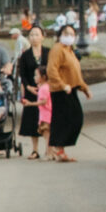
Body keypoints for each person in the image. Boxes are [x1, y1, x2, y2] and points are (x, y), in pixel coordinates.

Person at [46, 25, 91, 161]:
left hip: (71, 89)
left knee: (74, 119)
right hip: (61, 90)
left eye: (72, 34)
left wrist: (84, 88)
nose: (69, 36)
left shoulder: (70, 50)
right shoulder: (57, 49)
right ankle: (58, 148)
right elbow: (51, 70)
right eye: (66, 33)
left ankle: (60, 148)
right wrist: (61, 84)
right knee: (65, 120)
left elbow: (75, 72)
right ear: (60, 35)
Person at [15, 23, 48, 159]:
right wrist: (28, 87)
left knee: (47, 120)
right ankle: (34, 149)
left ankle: (49, 148)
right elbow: (22, 74)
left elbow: (52, 70)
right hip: (31, 91)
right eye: (32, 35)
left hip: (46, 91)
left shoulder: (48, 52)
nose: (34, 38)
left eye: (37, 35)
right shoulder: (25, 55)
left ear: (42, 37)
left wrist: (46, 86)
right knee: (33, 119)